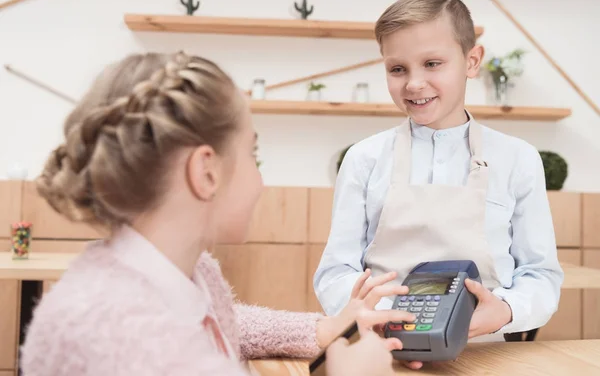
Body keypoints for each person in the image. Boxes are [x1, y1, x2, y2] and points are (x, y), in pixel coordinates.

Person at [19, 52, 419, 376]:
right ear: (206, 172)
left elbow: (226, 322)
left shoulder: (182, 274)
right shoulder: (123, 338)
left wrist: (324, 329)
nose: (260, 180)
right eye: (251, 155)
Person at [314, 0, 564, 345]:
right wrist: (379, 315)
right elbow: (335, 272)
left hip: (484, 353)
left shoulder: (517, 158)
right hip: (380, 348)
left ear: (472, 61)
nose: (414, 83)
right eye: (397, 69)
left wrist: (506, 310)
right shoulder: (364, 159)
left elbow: (540, 275)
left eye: (432, 64)